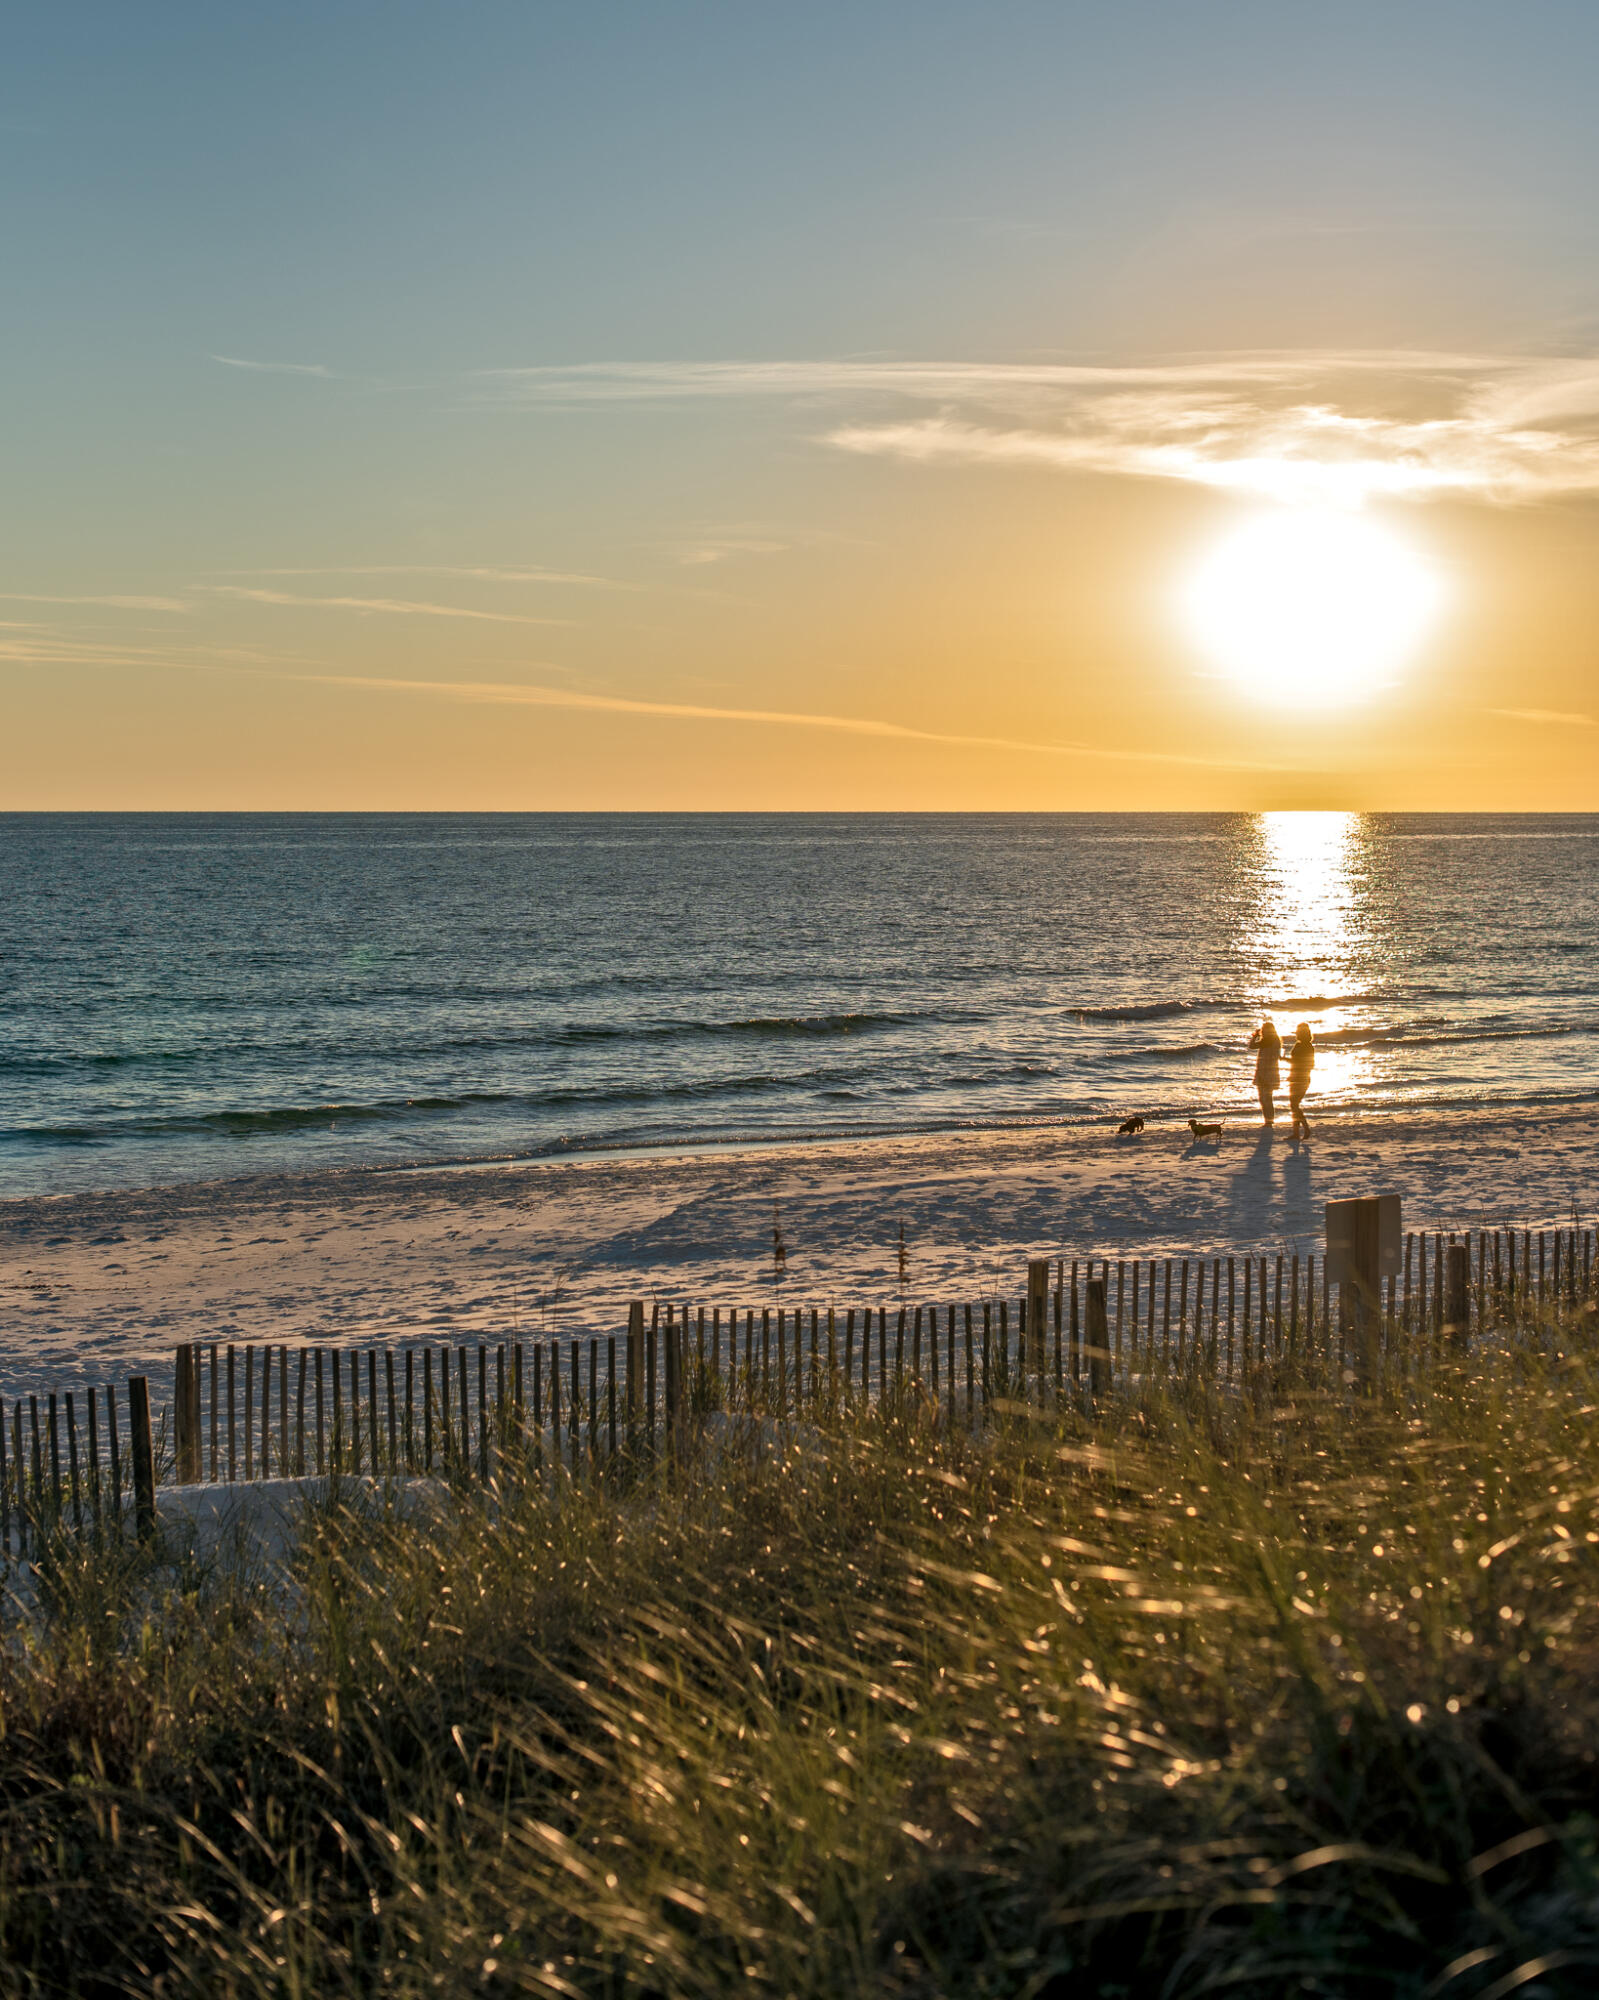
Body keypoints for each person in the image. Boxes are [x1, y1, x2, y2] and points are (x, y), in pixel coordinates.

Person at [1247, 1016, 1282, 1126]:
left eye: (1267, 1030)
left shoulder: (1274, 1041)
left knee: (1267, 1098)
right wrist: (1255, 1036)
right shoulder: (1265, 1041)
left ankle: (1269, 1121)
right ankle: (1268, 1120)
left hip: (1268, 1073)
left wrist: (1266, 1075)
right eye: (1264, 1030)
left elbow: (1273, 1058)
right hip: (1262, 1072)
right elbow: (1252, 1046)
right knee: (1263, 1098)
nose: (1265, 1032)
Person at [1288, 1021, 1315, 1138]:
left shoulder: (1305, 1046)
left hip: (1301, 1078)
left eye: (1298, 1032)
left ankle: (1304, 1129)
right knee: (1294, 1105)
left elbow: (1308, 1064)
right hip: (1297, 1077)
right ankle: (1296, 1132)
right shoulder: (1303, 1045)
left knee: (1294, 1105)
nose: (1296, 1034)